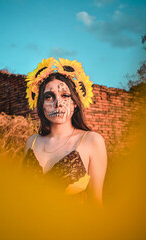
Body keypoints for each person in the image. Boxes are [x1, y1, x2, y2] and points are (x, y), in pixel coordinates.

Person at [23, 57, 107, 206]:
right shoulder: (32, 141)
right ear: (41, 104)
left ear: (75, 102)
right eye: (49, 97)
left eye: (65, 96)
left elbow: (96, 204)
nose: (58, 104)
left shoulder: (92, 141)